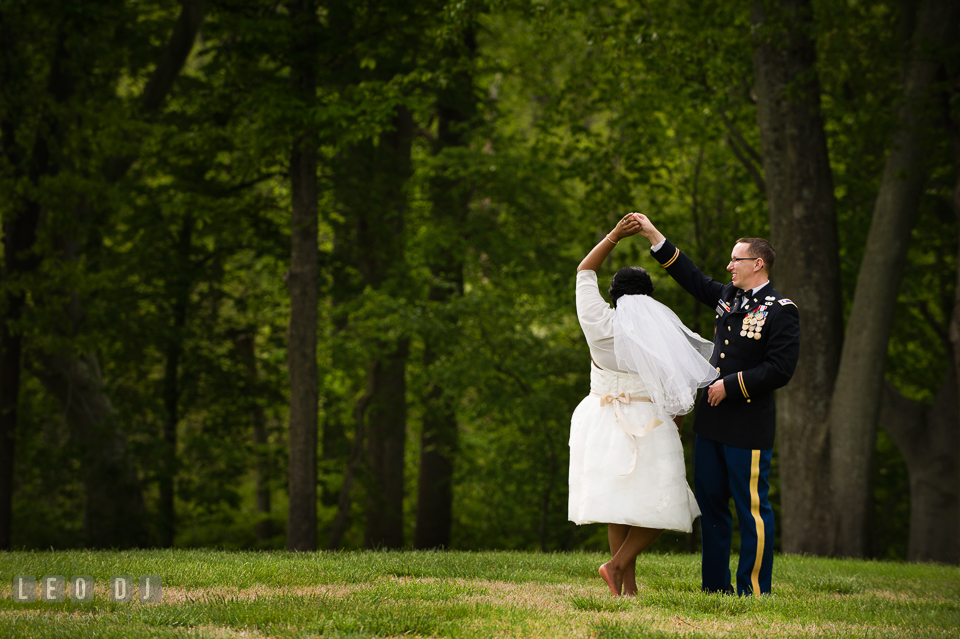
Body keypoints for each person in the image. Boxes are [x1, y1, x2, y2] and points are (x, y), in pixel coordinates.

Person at [634, 214, 800, 597]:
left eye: (735, 260)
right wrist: (654, 235)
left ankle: (754, 590)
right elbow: (690, 276)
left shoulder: (781, 309)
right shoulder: (728, 297)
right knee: (711, 502)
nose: (728, 267)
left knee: (752, 510)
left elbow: (780, 369)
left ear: (757, 264)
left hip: (748, 425)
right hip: (711, 422)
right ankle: (714, 587)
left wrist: (730, 385)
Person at [570, 213, 717, 597]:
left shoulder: (597, 322)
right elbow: (684, 383)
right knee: (665, 503)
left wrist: (614, 236)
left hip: (601, 419)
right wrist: (678, 423)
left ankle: (624, 585)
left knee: (622, 504)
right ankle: (618, 569)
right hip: (651, 423)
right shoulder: (661, 334)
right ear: (649, 297)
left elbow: (585, 271)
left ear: (614, 295)